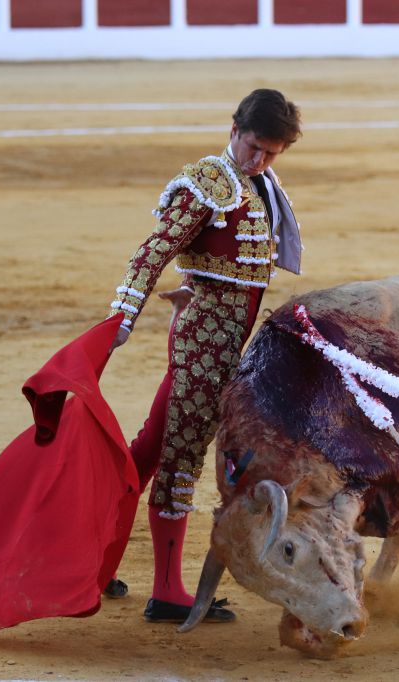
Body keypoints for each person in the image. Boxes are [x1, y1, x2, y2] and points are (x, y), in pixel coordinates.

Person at [106, 88, 303, 624]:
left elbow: (219, 260)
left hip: (222, 342)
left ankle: (94, 563)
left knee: (148, 452)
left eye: (271, 153)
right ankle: (167, 592)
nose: (259, 159)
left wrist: (194, 283)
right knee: (180, 460)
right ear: (234, 130)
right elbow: (154, 249)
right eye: (253, 146)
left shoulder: (257, 185)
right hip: (204, 347)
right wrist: (122, 316)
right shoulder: (211, 181)